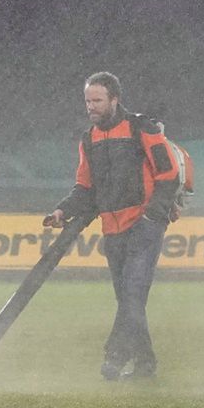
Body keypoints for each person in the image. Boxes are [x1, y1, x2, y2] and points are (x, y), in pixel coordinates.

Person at [48, 72, 180, 381]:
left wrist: (152, 216)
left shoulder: (140, 127)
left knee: (132, 295)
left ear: (114, 100)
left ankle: (115, 354)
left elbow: (168, 173)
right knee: (128, 300)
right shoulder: (88, 139)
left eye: (97, 100)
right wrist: (62, 210)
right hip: (112, 229)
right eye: (87, 101)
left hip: (144, 227)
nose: (91, 106)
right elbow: (85, 188)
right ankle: (145, 364)